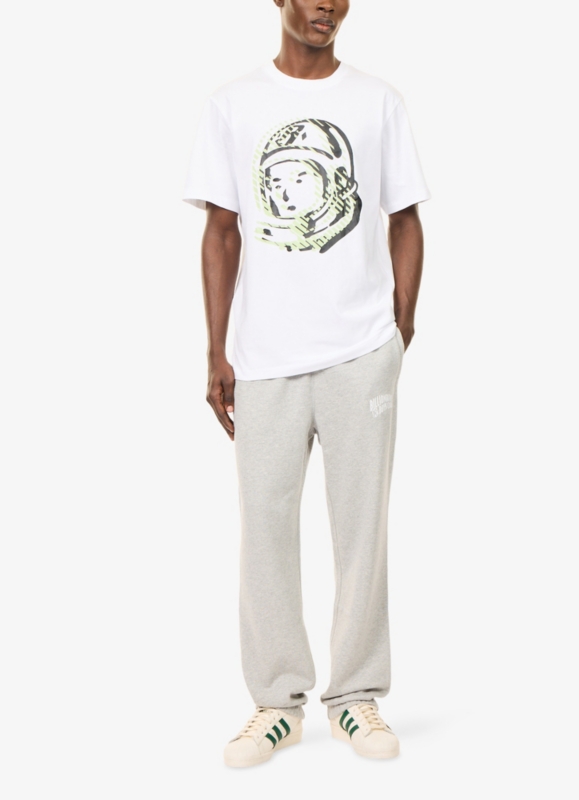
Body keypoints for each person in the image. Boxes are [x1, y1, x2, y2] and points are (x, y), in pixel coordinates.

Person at [183, 0, 430, 768]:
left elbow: (405, 219)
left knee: (362, 529)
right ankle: (276, 703)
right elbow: (220, 231)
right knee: (264, 529)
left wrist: (399, 329)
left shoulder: (378, 101)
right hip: (264, 358)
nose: (326, 5)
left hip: (361, 353)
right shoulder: (232, 104)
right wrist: (216, 350)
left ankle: (356, 695)